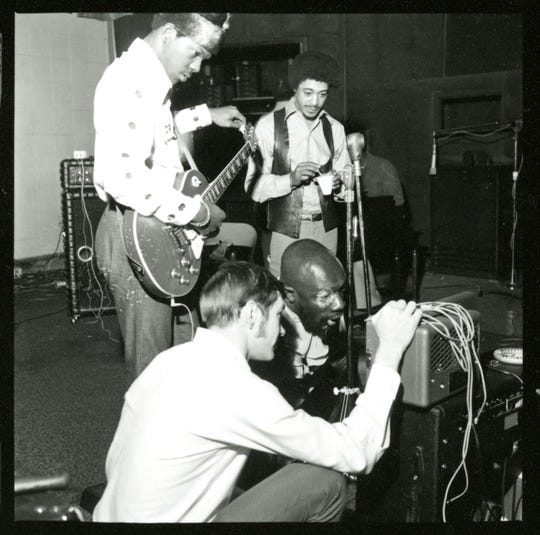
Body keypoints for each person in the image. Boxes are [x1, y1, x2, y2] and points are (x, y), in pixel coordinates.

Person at [92, 261, 422, 522]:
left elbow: (116, 462)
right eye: (279, 315)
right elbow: (355, 453)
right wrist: (389, 354)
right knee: (326, 483)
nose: (282, 330)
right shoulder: (239, 388)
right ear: (252, 315)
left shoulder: (167, 361)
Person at [93, 13, 246, 385]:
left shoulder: (150, 81)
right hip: (134, 233)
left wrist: (204, 115)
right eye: (194, 54)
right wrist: (195, 212)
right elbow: (120, 175)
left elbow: (154, 136)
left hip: (155, 228)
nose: (197, 68)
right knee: (152, 376)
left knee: (178, 362)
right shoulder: (129, 80)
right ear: (168, 34)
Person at [245, 51, 351, 277]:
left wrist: (340, 182)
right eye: (308, 93)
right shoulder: (267, 126)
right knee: (285, 296)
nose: (315, 102)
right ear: (295, 88)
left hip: (327, 229)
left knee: (325, 293)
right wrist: (290, 179)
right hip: (286, 230)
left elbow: (348, 180)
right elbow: (252, 186)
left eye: (322, 94)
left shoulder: (335, 129)